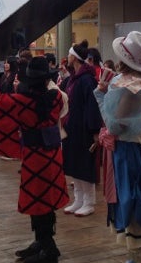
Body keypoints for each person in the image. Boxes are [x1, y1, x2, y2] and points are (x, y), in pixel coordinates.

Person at [0, 57, 68, 263]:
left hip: (34, 156)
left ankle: (48, 249)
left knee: (37, 201)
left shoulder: (22, 101)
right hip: (53, 154)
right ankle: (43, 243)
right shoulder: (56, 98)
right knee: (45, 201)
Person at [94, 31, 141, 263]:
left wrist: (101, 97)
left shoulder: (133, 89)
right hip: (129, 152)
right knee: (133, 220)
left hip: (128, 154)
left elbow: (114, 125)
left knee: (133, 221)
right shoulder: (135, 85)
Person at [61, 40, 102, 217]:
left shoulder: (86, 80)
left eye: (70, 54)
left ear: (75, 58)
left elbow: (92, 106)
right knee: (74, 164)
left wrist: (94, 130)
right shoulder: (72, 78)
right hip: (72, 127)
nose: (67, 57)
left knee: (85, 164)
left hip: (84, 129)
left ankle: (89, 201)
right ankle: (78, 199)